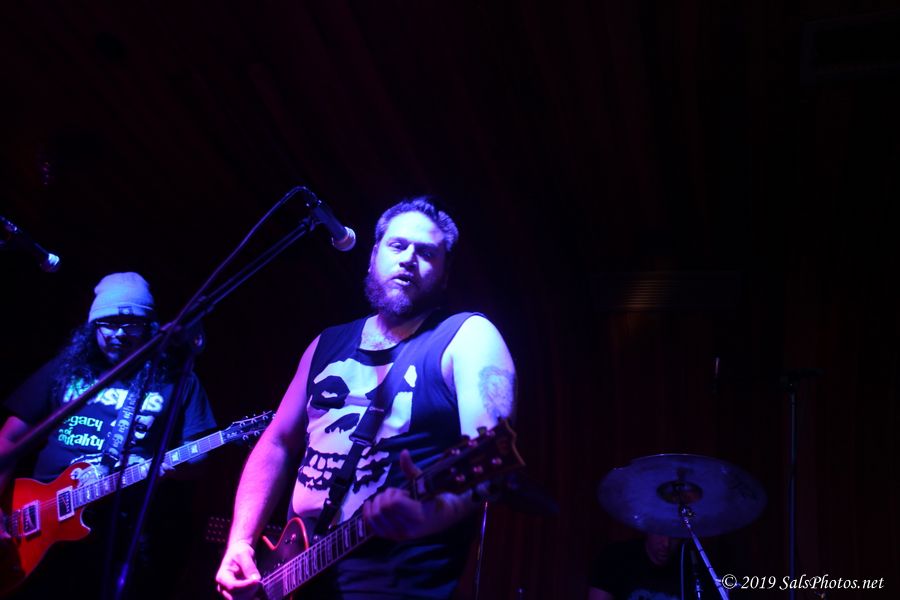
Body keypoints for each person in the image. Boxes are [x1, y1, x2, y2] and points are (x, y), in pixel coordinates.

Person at [215, 197, 517, 599]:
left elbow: (488, 464)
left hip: (393, 582)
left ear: (445, 275)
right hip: (292, 572)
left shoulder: (468, 337)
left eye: (427, 253)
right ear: (374, 256)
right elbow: (277, 443)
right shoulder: (326, 343)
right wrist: (240, 541)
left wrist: (432, 513)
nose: (409, 259)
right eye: (398, 245)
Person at [0, 271, 217, 598]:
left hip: (120, 533)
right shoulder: (65, 369)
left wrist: (163, 468)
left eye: (131, 325)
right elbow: (8, 441)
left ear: (150, 327)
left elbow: (200, 461)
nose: (119, 334)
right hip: (36, 523)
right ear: (92, 327)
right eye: (108, 324)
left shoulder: (177, 381)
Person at [588, 533, 708, 600]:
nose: (666, 543)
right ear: (648, 529)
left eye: (672, 535)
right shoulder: (616, 557)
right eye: (660, 532)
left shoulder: (694, 564)